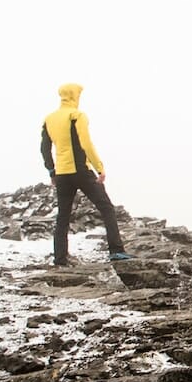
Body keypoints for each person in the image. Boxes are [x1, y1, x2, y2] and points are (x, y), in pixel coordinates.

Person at [39, 82, 133, 265]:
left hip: (62, 174)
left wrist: (52, 171)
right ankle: (116, 251)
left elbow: (44, 148)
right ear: (75, 96)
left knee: (63, 217)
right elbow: (86, 143)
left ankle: (60, 258)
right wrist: (99, 168)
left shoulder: (49, 119)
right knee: (106, 208)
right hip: (81, 171)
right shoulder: (77, 116)